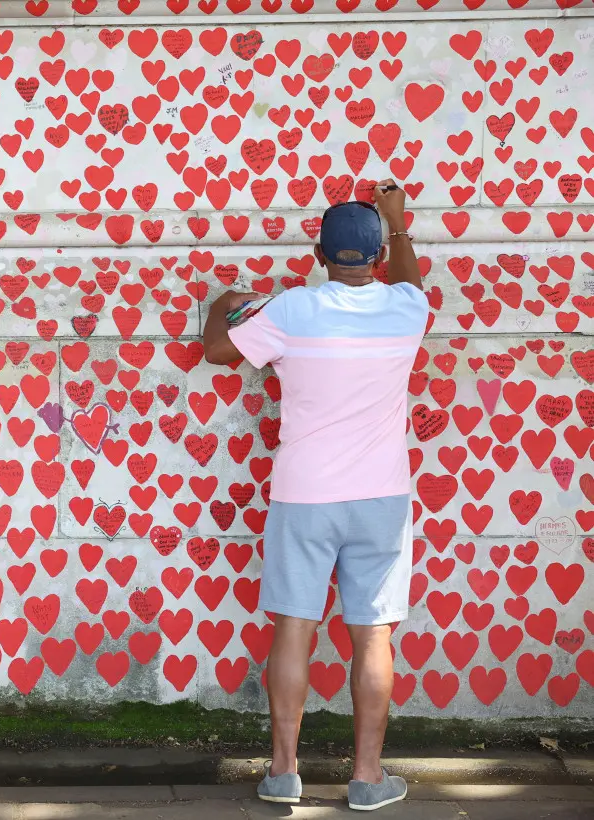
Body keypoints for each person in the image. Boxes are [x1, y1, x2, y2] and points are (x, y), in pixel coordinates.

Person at [202, 180, 427, 812]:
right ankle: (366, 778)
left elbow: (218, 350)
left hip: (303, 495)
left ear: (320, 252)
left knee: (293, 627)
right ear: (377, 258)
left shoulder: (294, 309)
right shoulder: (406, 310)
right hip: (381, 497)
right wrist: (398, 221)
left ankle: (282, 774)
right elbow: (411, 282)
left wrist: (225, 301)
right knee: (372, 635)